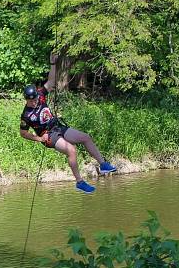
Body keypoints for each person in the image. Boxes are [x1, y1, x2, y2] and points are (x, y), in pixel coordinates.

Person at [20, 55, 116, 194]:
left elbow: (51, 82)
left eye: (34, 100)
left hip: (57, 126)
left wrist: (53, 62)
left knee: (85, 137)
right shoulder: (26, 115)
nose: (34, 103)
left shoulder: (40, 95)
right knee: (71, 150)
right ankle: (80, 182)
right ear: (26, 100)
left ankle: (103, 165)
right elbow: (23, 133)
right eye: (31, 101)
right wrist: (39, 139)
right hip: (48, 136)